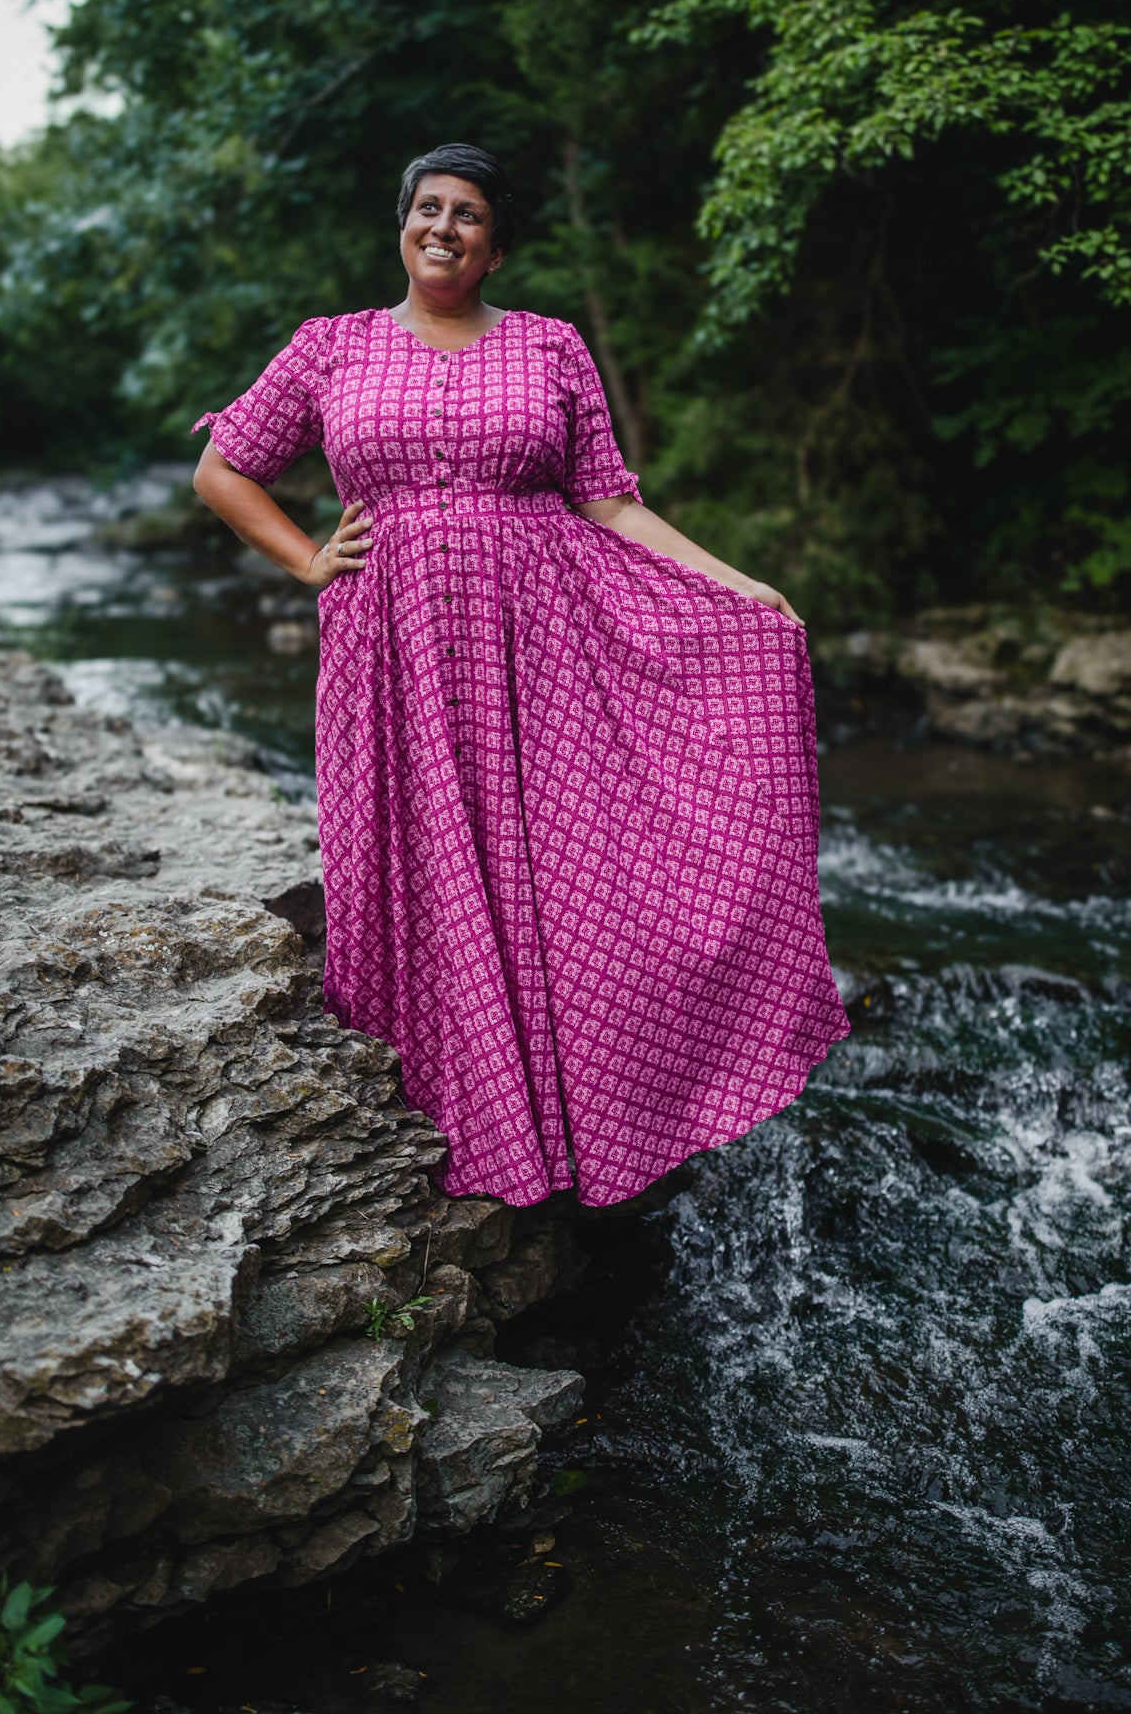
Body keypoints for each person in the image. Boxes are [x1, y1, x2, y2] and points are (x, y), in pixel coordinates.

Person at [193, 142, 849, 1207]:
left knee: (573, 871)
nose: (443, 226)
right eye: (428, 207)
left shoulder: (550, 346)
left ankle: (596, 1118)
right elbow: (224, 468)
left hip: (548, 643)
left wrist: (740, 584)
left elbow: (609, 500)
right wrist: (309, 557)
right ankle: (454, 1111)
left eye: (468, 215)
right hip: (390, 649)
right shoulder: (332, 348)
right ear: (401, 223)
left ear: (497, 248)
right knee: (419, 861)